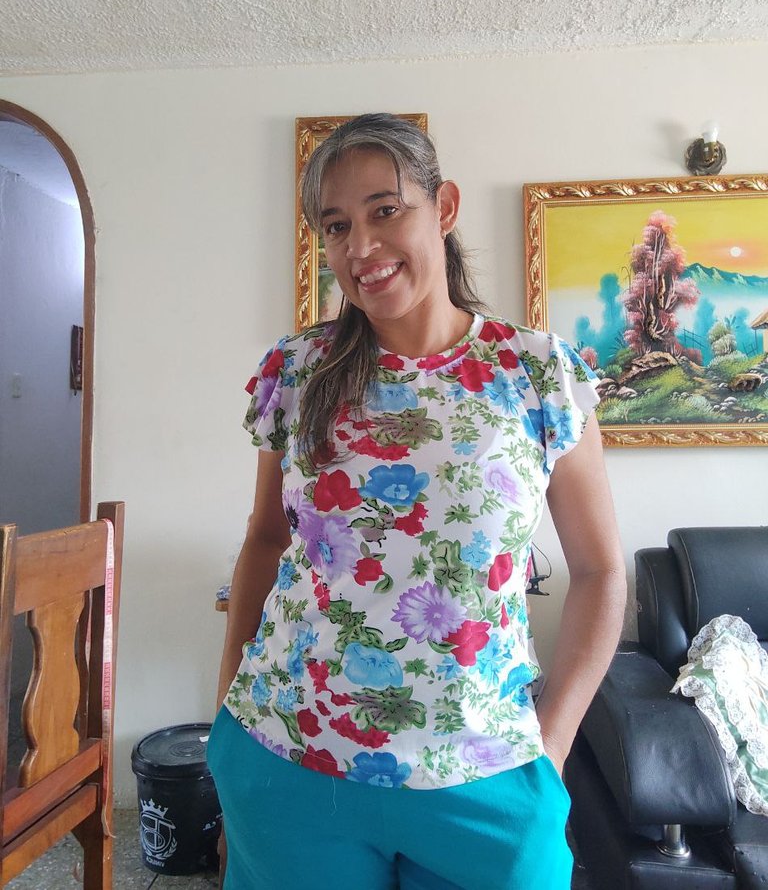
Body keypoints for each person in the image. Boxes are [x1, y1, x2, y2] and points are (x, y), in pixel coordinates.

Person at [208, 113, 626, 890]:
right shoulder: (296, 372)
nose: (360, 246)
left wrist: (554, 744)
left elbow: (601, 572)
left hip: (487, 774)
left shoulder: (538, 374)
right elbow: (266, 539)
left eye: (385, 209)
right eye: (337, 226)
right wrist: (225, 707)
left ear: (446, 206)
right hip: (290, 758)